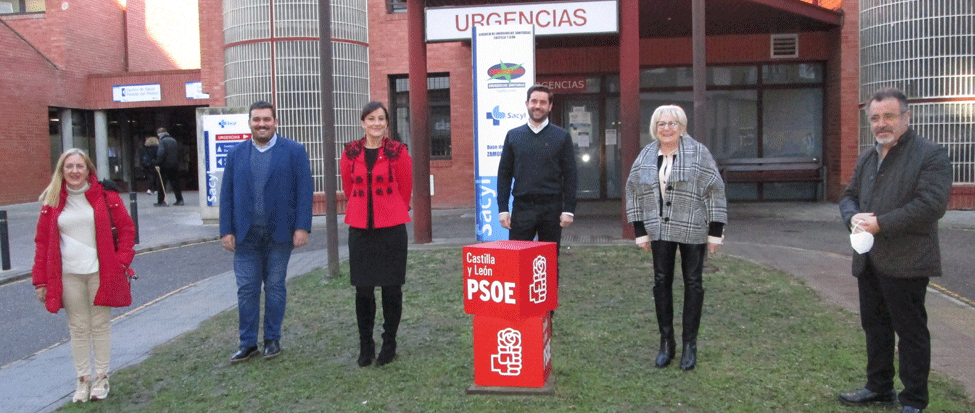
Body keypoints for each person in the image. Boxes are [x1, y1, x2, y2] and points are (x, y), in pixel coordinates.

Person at [837, 88, 952, 413]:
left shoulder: (930, 155)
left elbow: (931, 205)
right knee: (875, 327)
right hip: (869, 260)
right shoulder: (868, 157)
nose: (881, 124)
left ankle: (914, 400)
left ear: (906, 117)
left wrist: (880, 224)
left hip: (908, 261)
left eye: (889, 116)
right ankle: (879, 388)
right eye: (875, 118)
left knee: (911, 332)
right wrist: (852, 217)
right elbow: (848, 195)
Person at [624, 105, 726, 371]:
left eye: (672, 123)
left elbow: (715, 190)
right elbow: (633, 191)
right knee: (661, 282)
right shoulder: (646, 155)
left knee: (693, 282)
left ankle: (690, 345)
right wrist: (640, 230)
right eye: (661, 124)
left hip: (692, 226)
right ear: (654, 128)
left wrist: (715, 232)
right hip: (659, 229)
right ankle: (666, 343)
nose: (666, 128)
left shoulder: (699, 153)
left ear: (681, 127)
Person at [32, 148, 136, 403]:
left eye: (80, 166)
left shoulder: (106, 196)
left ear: (89, 170)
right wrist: (40, 280)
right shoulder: (52, 202)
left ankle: (101, 378)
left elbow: (126, 229)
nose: (74, 171)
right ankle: (82, 380)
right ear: (61, 171)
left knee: (99, 326)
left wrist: (121, 261)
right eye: (69, 166)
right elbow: (42, 243)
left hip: (100, 272)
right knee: (78, 328)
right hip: (68, 275)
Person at [219, 101, 314, 363]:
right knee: (246, 289)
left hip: (280, 234)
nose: (261, 124)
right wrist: (226, 230)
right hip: (245, 235)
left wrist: (302, 227)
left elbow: (304, 191)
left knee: (274, 287)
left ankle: (272, 339)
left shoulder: (294, 151)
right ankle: (248, 343)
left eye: (266, 119)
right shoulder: (236, 154)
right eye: (256, 119)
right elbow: (226, 195)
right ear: (250, 122)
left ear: (275, 122)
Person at [341, 101, 413, 367]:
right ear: (363, 123)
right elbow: (348, 189)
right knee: (363, 290)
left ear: (387, 123)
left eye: (381, 119)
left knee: (391, 289)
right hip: (360, 230)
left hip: (391, 230)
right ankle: (366, 344)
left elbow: (405, 189)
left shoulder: (398, 151)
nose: (376, 123)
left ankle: (389, 343)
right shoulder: (350, 152)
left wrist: (389, 210)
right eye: (371, 119)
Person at [497, 84, 577, 248]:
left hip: (552, 209)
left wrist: (569, 209)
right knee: (518, 257)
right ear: (527, 103)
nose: (538, 106)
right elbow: (504, 174)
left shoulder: (562, 136)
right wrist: (503, 209)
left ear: (550, 106)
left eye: (543, 102)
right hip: (522, 208)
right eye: (534, 101)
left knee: (549, 258)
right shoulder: (513, 136)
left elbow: (570, 175)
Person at [155, 127, 184, 206]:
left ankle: (161, 201)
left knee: (161, 184)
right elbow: (178, 152)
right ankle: (179, 199)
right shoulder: (173, 140)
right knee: (175, 183)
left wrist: (157, 163)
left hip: (164, 166)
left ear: (159, 135)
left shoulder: (162, 141)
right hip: (174, 165)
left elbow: (161, 153)